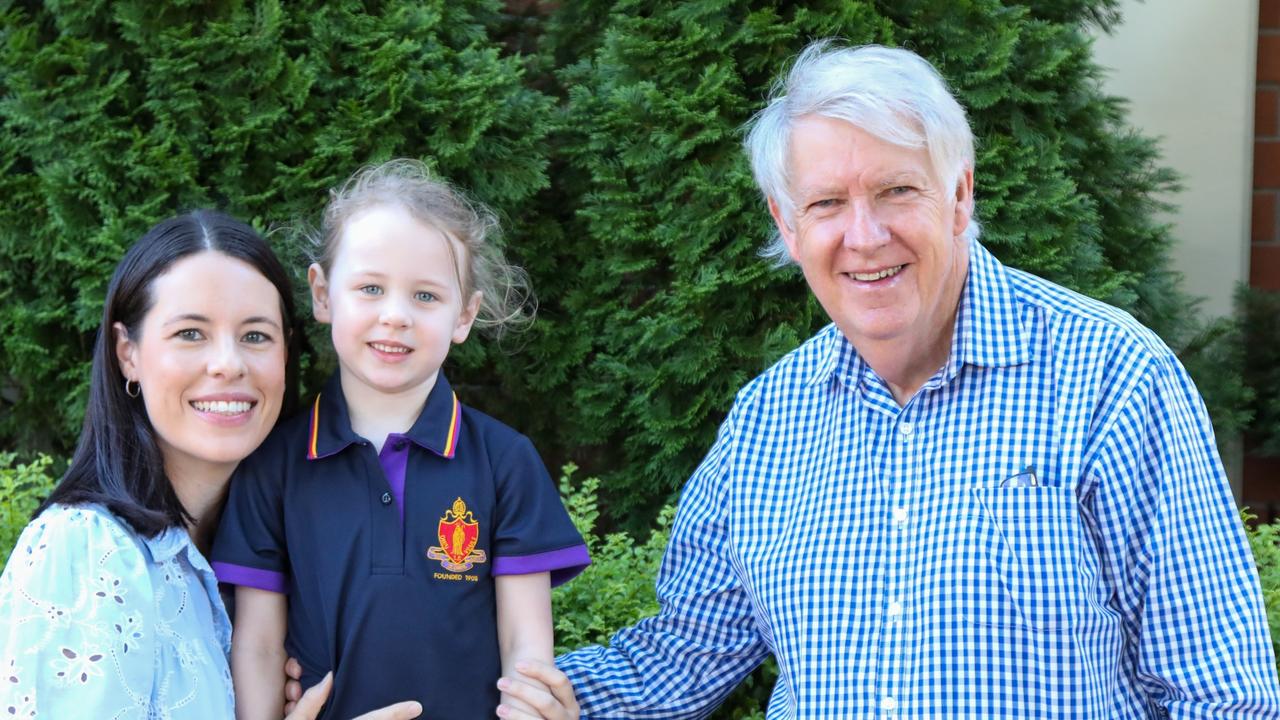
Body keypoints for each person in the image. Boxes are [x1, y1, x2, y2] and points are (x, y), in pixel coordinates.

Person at [499, 41, 1280, 717]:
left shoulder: (1112, 378)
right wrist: (488, 701)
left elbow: (1220, 689)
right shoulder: (767, 422)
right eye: (828, 202)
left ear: (960, 195)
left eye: (897, 190)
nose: (864, 236)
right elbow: (681, 654)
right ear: (788, 224)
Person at [0, 210, 419, 719]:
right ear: (127, 353)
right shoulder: (85, 552)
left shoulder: (271, 555)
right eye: (191, 334)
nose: (229, 363)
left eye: (256, 336)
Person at [212, 160, 590, 720]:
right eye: (370, 288)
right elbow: (260, 645)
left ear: (464, 316)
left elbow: (524, 649)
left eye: (426, 297)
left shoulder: (506, 461)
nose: (395, 316)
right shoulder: (272, 465)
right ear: (322, 294)